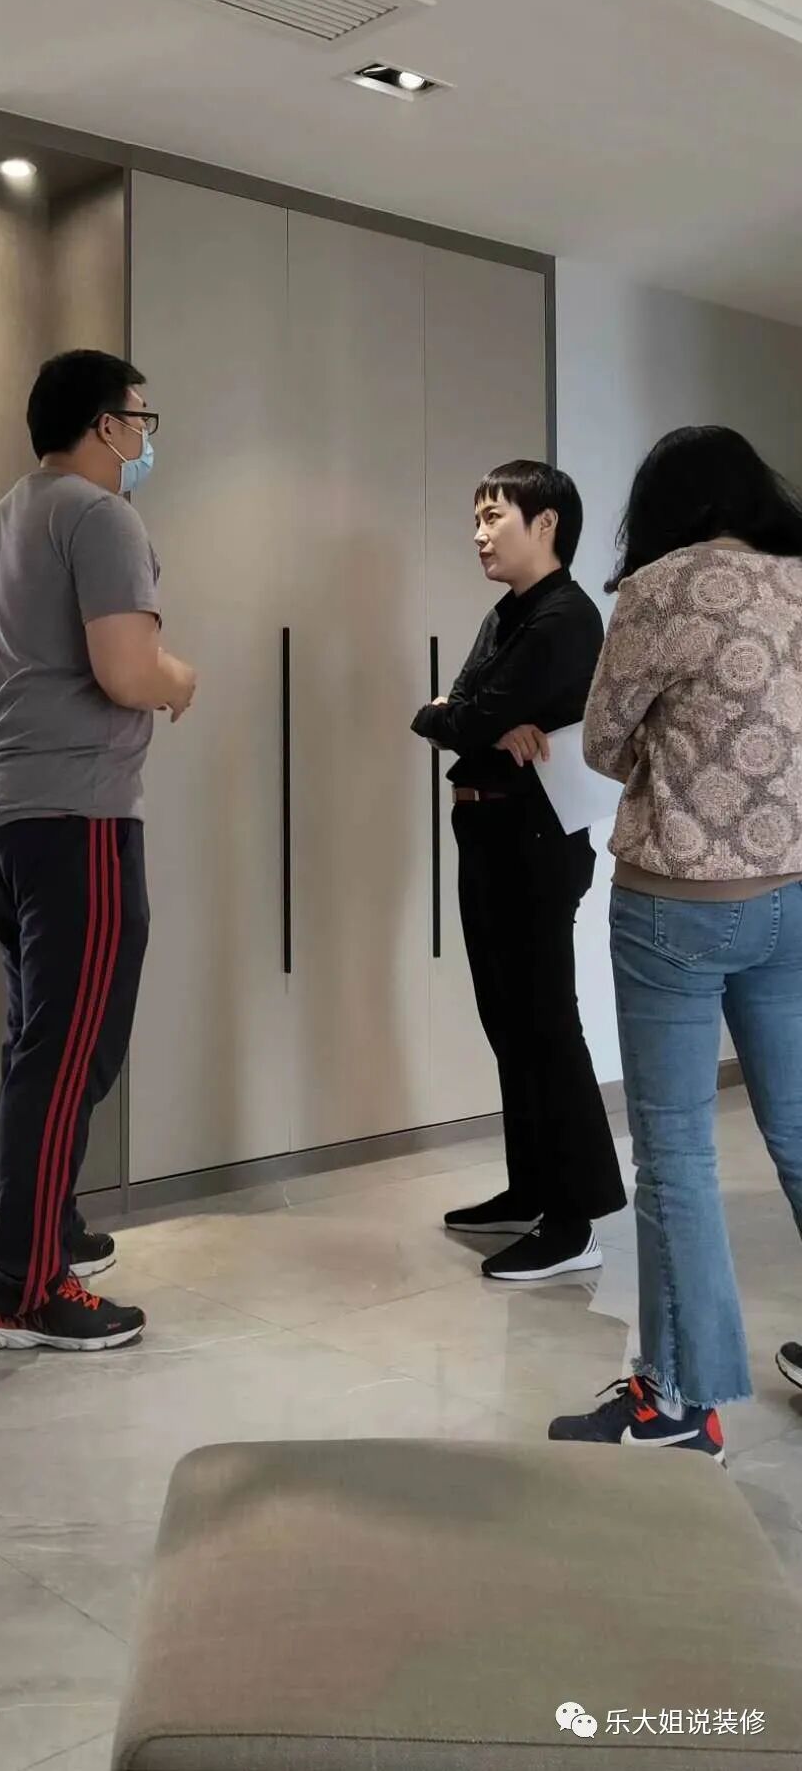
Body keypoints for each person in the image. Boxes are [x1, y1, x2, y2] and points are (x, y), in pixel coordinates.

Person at [550, 426, 802, 1459]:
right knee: (798, 1131)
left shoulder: (658, 590)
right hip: (792, 898)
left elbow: (604, 742)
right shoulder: (799, 580)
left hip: (676, 908)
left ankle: (679, 1402)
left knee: (677, 1155)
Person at [0, 349, 197, 1353]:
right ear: (105, 425)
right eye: (141, 418)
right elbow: (127, 670)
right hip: (76, 818)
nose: (144, 436)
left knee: (39, 1044)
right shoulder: (101, 516)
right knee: (69, 1056)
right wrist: (181, 677)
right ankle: (24, 1289)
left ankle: (46, 1229)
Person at [412, 460, 625, 1282]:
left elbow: (464, 713)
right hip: (488, 828)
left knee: (544, 1022)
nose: (478, 533)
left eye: (493, 516)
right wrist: (467, 717)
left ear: (546, 524)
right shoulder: (509, 612)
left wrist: (464, 717)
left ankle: (574, 1221)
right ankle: (532, 1187)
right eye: (476, 517)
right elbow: (463, 713)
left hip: (533, 836)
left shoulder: (565, 618)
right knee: (508, 1018)